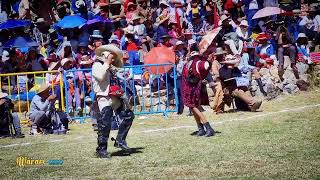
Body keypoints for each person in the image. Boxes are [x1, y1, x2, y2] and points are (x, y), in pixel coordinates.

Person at [92, 44, 133, 158]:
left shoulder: (111, 67)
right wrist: (107, 63)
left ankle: (120, 140)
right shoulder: (96, 65)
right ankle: (101, 150)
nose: (113, 58)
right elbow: (100, 77)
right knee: (105, 124)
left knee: (128, 115)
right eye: (111, 56)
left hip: (115, 97)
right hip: (104, 98)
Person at [182, 51, 215, 137]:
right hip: (188, 88)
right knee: (192, 108)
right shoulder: (188, 64)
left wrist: (209, 62)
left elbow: (205, 68)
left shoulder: (197, 64)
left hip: (194, 88)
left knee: (194, 107)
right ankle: (200, 129)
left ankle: (208, 127)